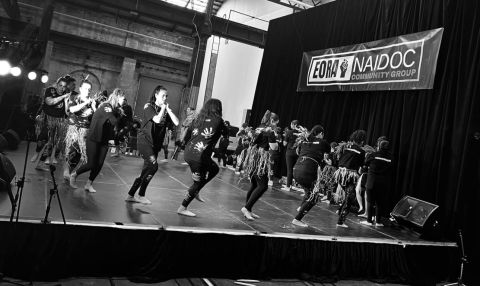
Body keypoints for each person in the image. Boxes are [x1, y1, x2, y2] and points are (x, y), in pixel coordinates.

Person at [126, 85, 179, 204]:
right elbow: (157, 120)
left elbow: (176, 122)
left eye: (166, 96)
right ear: (156, 95)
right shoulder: (148, 107)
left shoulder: (165, 110)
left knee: (146, 170)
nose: (165, 98)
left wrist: (168, 110)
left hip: (155, 144)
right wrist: (162, 109)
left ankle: (130, 194)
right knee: (153, 167)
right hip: (145, 142)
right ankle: (141, 195)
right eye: (163, 95)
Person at [176, 98, 228, 217]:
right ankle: (182, 207)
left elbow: (187, 136)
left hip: (189, 152)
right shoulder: (219, 120)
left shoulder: (197, 119)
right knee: (197, 182)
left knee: (214, 169)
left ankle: (197, 190)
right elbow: (226, 133)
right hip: (200, 156)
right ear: (218, 108)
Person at [69, 88, 126, 192]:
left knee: (99, 164)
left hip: (104, 139)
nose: (124, 101)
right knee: (91, 164)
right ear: (117, 97)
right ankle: (74, 175)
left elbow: (115, 126)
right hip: (94, 137)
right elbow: (113, 122)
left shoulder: (116, 109)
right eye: (123, 98)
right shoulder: (106, 106)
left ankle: (89, 184)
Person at [241, 111, 279, 220]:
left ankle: (248, 210)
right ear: (272, 121)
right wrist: (272, 137)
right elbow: (274, 147)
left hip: (253, 157)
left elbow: (253, 141)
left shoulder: (259, 127)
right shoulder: (269, 130)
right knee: (263, 186)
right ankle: (246, 208)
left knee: (254, 184)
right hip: (260, 159)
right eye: (276, 123)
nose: (276, 125)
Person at [291, 125, 330, 227]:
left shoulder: (304, 141)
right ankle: (297, 219)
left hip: (296, 170)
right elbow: (328, 152)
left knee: (308, 192)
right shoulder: (323, 142)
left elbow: (298, 151)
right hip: (307, 171)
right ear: (321, 133)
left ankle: (301, 208)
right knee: (314, 197)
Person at [31, 77, 70, 168]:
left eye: (64, 86)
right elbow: (50, 102)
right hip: (47, 118)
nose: (62, 88)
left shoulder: (66, 94)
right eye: (60, 85)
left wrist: (67, 101)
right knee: (43, 137)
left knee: (51, 143)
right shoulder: (50, 90)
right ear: (57, 85)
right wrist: (63, 97)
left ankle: (40, 163)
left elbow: (67, 112)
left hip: (59, 120)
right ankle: (37, 152)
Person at [63, 79, 95, 180]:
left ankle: (70, 173)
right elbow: (72, 109)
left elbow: (95, 116)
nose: (88, 91)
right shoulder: (75, 98)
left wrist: (94, 108)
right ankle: (66, 171)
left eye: (89, 89)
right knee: (71, 150)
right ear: (80, 89)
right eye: (85, 88)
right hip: (74, 128)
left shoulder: (92, 101)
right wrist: (85, 103)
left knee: (80, 154)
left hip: (85, 130)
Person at [334, 130, 366, 228]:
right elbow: (361, 166)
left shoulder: (345, 147)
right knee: (350, 197)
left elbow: (338, 158)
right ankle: (340, 222)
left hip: (340, 174)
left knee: (348, 195)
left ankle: (340, 210)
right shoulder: (361, 151)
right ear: (362, 140)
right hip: (349, 175)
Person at [361, 137, 392, 226]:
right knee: (379, 203)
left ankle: (369, 221)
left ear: (379, 146)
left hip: (372, 182)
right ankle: (378, 221)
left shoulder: (374, 155)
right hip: (384, 183)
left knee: (370, 201)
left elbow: (365, 163)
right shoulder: (391, 157)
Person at [282, 120, 300, 191]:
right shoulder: (301, 133)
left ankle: (288, 186)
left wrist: (285, 137)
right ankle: (294, 185)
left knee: (289, 169)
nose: (290, 125)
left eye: (291, 124)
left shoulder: (289, 132)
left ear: (294, 125)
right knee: (295, 169)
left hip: (290, 153)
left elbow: (284, 144)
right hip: (298, 153)